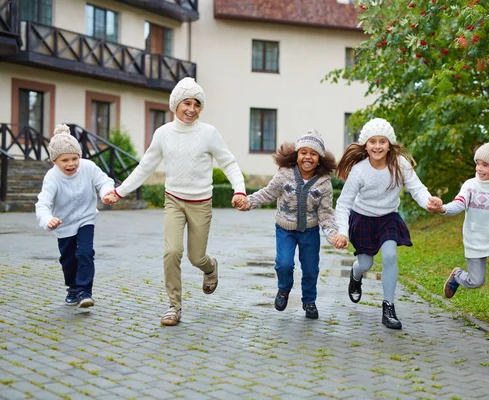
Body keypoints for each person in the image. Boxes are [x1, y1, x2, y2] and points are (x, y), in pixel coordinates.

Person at [106, 77, 247, 326]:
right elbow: (145, 167)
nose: (191, 109)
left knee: (196, 257)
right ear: (175, 104)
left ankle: (210, 267)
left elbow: (229, 162)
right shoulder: (163, 134)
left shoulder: (209, 133)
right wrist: (120, 192)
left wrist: (239, 190)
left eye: (196, 104)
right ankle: (174, 306)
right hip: (173, 200)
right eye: (186, 103)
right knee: (172, 252)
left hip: (201, 203)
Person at [335, 118, 441, 330]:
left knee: (390, 255)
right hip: (363, 218)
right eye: (372, 141)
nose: (377, 146)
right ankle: (356, 276)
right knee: (366, 264)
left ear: (389, 144)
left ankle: (388, 307)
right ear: (365, 145)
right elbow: (343, 203)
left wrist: (429, 201)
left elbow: (417, 188)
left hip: (388, 218)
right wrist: (343, 232)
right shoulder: (359, 170)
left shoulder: (399, 164)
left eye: (382, 141)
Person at [236, 129, 345, 319]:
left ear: (320, 158)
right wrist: (248, 202)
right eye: (304, 152)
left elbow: (326, 214)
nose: (308, 157)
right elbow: (267, 193)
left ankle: (309, 301)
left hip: (310, 231)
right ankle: (284, 289)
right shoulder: (284, 175)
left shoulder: (324, 183)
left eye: (313, 154)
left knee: (311, 268)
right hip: (285, 229)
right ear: (296, 155)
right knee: (284, 264)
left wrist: (333, 235)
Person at [427, 137, 489, 325]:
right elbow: (458, 204)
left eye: (485, 165)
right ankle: (457, 276)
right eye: (478, 164)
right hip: (475, 239)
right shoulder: (471, 185)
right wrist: (442, 209)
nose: (479, 168)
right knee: (476, 281)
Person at [35, 124, 115, 308]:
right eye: (65, 160)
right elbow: (43, 204)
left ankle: (84, 292)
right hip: (63, 223)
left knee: (86, 253)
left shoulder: (88, 167)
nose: (71, 164)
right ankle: (72, 287)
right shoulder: (52, 177)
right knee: (68, 259)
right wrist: (48, 220)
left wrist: (106, 193)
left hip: (86, 218)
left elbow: (104, 182)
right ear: (54, 160)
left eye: (74, 158)